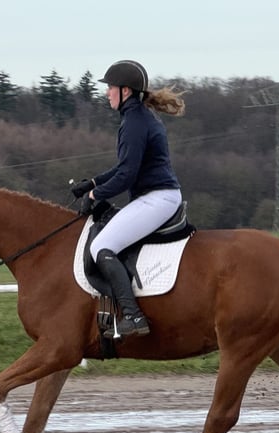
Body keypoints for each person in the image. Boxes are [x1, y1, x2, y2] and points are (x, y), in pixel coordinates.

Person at [71, 59, 186, 339]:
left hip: (157, 198)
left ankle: (133, 316)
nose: (107, 92)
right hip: (155, 196)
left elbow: (127, 175)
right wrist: (95, 182)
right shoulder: (138, 117)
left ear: (126, 91)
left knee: (101, 246)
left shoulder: (134, 122)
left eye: (110, 87)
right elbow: (123, 168)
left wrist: (95, 195)